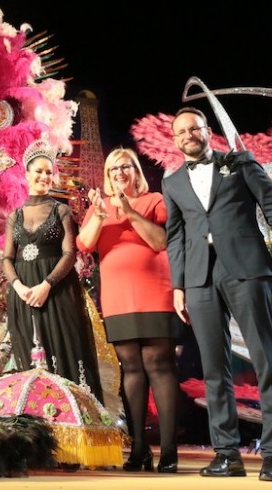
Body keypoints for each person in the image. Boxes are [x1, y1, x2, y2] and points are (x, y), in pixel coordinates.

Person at [162, 106, 272, 482]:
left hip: (246, 269)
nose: (188, 134)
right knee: (212, 368)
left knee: (265, 360)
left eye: (195, 128)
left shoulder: (240, 164)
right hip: (199, 278)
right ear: (175, 140)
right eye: (181, 132)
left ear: (208, 131)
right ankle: (227, 453)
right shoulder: (173, 182)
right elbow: (175, 237)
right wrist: (178, 285)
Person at [76, 147, 181, 473]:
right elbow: (84, 244)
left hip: (155, 293)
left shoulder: (154, 201)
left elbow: (160, 242)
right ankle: (138, 450)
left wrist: (130, 212)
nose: (119, 173)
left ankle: (168, 451)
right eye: (113, 169)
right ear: (107, 177)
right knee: (130, 369)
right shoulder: (101, 207)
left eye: (125, 167)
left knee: (158, 366)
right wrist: (101, 213)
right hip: (118, 299)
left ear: (136, 171)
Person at [2, 139, 104, 402]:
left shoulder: (62, 211)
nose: (44, 176)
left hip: (57, 290)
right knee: (31, 355)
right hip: (23, 292)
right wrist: (19, 287)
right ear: (27, 174)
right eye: (39, 171)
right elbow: (6, 258)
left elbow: (70, 254)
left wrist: (46, 285)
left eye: (49, 172)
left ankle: (73, 419)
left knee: (65, 348)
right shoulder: (14, 215)